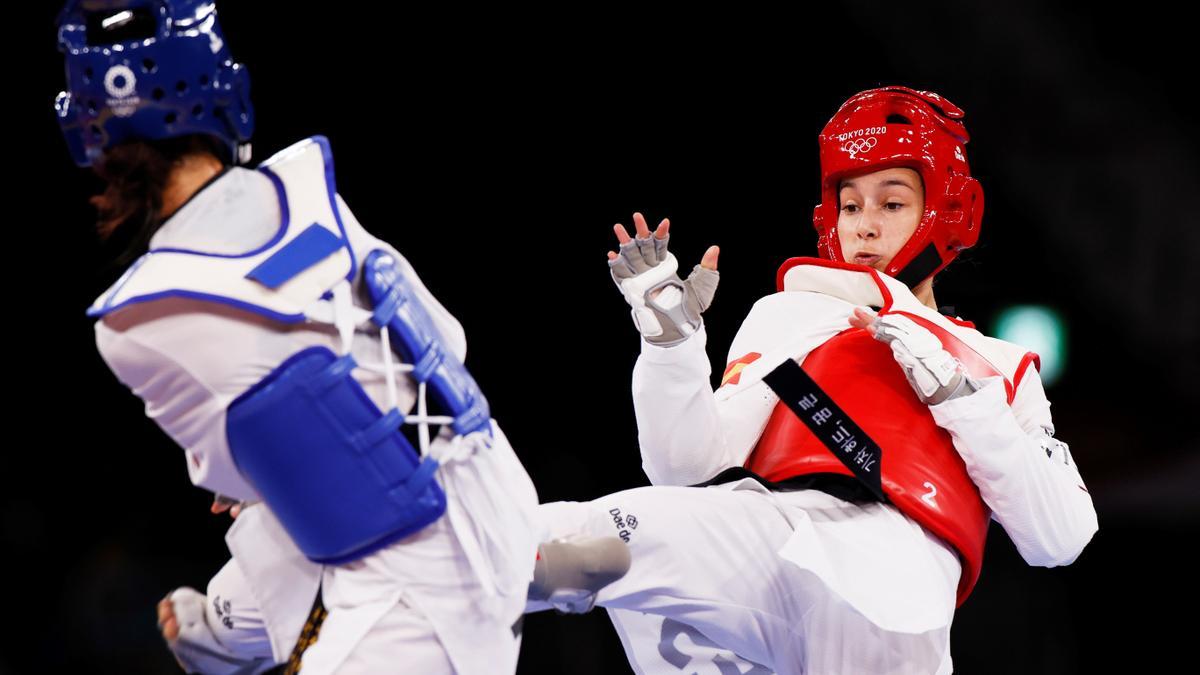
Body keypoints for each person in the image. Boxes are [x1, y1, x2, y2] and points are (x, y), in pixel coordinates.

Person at [56, 2, 626, 673]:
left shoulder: (138, 317)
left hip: (416, 590)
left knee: (272, 496)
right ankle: (522, 557)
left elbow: (246, 478)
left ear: (94, 144)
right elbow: (449, 338)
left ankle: (233, 627)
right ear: (223, 95)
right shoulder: (307, 183)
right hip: (499, 483)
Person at [536, 86, 1099, 674]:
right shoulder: (794, 312)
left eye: (891, 204)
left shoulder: (1000, 365)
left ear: (949, 212)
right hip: (770, 536)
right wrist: (671, 346)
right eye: (850, 207)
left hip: (893, 585)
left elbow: (1060, 537)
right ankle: (448, 561)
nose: (865, 228)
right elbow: (683, 469)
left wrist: (959, 396)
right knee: (601, 532)